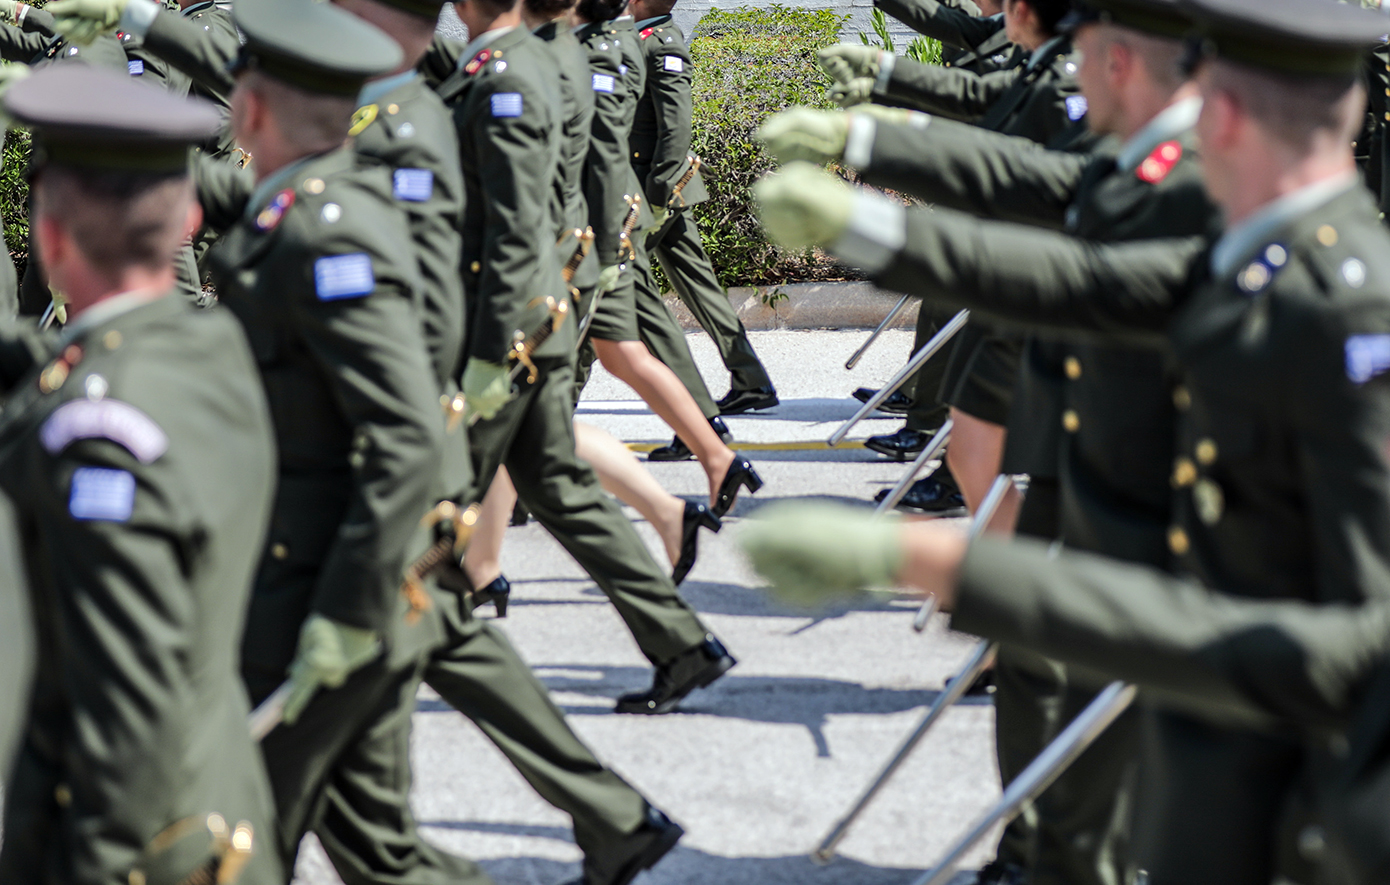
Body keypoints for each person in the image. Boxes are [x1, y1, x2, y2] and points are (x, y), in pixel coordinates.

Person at [750, 0, 1390, 881]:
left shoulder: (1348, 305)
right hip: (1211, 727)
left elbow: (1353, 640)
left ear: (1225, 116)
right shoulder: (1263, 255)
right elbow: (1080, 278)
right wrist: (865, 222)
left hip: (1304, 790)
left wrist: (942, 566)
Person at [0, 64, 281, 885]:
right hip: (220, 799)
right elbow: (104, 349)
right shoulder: (216, 347)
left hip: (134, 839)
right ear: (188, 219)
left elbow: (126, 714)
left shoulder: (97, 436)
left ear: (50, 240)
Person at [434, 0, 737, 715]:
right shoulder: (542, 54)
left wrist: (487, 355)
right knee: (556, 480)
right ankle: (680, 640)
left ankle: (396, 649)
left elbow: (514, 229)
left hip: (513, 319)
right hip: (538, 308)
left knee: (436, 488)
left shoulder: (524, 67)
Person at [626, 0, 779, 416]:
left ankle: (558, 396)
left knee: (608, 283)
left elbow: (675, 129)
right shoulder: (639, 40)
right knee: (701, 289)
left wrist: (656, 196)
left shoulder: (663, 45)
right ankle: (752, 380)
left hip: (654, 194)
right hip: (654, 193)